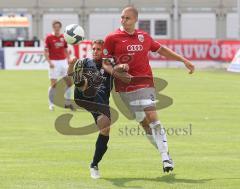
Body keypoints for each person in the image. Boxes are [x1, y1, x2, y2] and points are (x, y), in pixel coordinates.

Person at [102, 6, 195, 173]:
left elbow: (162, 50)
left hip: (145, 82)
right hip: (124, 87)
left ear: (135, 19)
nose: (123, 20)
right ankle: (164, 151)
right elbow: (105, 62)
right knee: (144, 124)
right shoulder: (112, 38)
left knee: (152, 116)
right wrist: (116, 71)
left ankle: (165, 157)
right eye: (122, 17)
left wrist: (183, 60)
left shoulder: (144, 37)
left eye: (127, 18)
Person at [68, 40, 125, 179]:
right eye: (93, 48)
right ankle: (81, 82)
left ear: (104, 51)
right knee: (84, 81)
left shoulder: (110, 65)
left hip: (100, 103)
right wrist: (71, 64)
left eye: (98, 49)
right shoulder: (86, 62)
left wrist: (122, 67)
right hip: (84, 97)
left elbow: (122, 74)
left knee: (105, 129)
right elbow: (69, 74)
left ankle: (94, 164)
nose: (95, 51)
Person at [44, 20, 74, 111]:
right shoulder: (49, 37)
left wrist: (68, 59)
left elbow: (65, 49)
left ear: (60, 28)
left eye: (58, 27)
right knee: (53, 85)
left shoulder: (63, 37)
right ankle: (51, 104)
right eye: (55, 27)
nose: (57, 28)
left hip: (63, 62)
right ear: (53, 27)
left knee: (69, 83)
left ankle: (68, 102)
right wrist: (49, 62)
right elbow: (45, 51)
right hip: (54, 62)